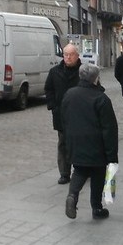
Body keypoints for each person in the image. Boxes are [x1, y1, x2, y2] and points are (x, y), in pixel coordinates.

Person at [61, 63, 119, 220]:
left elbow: (64, 118)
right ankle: (97, 207)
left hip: (75, 141)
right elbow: (109, 129)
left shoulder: (70, 94)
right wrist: (112, 155)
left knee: (79, 170)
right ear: (96, 79)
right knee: (98, 173)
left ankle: (72, 196)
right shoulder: (101, 98)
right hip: (96, 144)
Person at [45, 43, 83, 184]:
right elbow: (48, 89)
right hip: (61, 114)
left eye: (71, 55)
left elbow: (95, 87)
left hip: (80, 114)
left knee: (80, 142)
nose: (68, 57)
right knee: (63, 143)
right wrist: (53, 106)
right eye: (66, 54)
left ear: (77, 56)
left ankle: (81, 171)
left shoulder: (83, 71)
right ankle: (64, 173)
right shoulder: (55, 71)